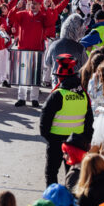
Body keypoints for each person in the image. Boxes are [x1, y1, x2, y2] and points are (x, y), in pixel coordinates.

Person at [40, 54, 94, 186]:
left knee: (51, 172)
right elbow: (89, 120)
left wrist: (48, 137)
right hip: (76, 140)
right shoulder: (83, 95)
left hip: (56, 139)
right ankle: (71, 200)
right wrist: (86, 139)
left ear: (60, 77)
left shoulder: (57, 95)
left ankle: (52, 199)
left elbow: (44, 120)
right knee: (73, 173)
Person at [45, 14, 88, 88]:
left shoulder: (53, 45)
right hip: (74, 86)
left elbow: (47, 63)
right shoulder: (80, 48)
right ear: (78, 29)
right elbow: (85, 66)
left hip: (57, 84)